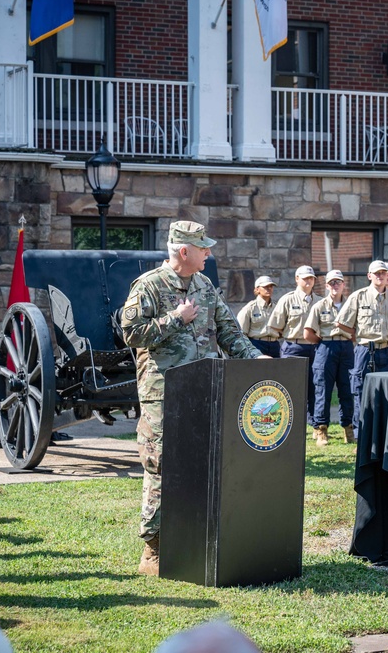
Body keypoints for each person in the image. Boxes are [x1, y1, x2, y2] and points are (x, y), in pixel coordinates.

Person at [120, 221, 262, 576]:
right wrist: (176, 318)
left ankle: (196, 537)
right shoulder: (149, 285)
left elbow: (228, 330)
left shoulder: (204, 284)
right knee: (162, 464)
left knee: (204, 463)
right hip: (163, 392)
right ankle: (154, 550)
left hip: (205, 388)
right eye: (204, 248)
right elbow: (131, 334)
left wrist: (257, 361)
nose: (209, 253)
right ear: (184, 251)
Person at [336, 260, 388, 441]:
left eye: (383, 273)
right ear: (369, 276)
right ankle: (362, 438)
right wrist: (357, 336)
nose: (381, 276)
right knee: (362, 394)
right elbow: (341, 323)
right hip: (366, 351)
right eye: (377, 273)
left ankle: (386, 439)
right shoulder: (359, 296)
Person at [303, 269, 354, 446]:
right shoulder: (319, 306)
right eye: (331, 283)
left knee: (347, 389)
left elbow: (357, 329)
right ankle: (321, 429)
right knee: (322, 389)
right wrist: (324, 344)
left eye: (338, 282)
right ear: (326, 286)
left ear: (343, 285)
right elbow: (307, 333)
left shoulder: (350, 305)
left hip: (347, 348)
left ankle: (348, 428)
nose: (335, 285)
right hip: (326, 346)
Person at [268, 265, 319, 430]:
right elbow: (276, 326)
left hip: (315, 348)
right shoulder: (287, 299)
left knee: (315, 386)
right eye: (305, 278)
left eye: (311, 278)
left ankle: (314, 423)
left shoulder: (320, 301)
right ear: (297, 279)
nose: (308, 281)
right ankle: (290, 422)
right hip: (293, 347)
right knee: (291, 386)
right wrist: (292, 336)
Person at [236, 275, 280, 358]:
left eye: (271, 286)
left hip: (274, 345)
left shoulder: (277, 308)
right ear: (257, 289)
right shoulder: (249, 308)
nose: (269, 289)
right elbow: (241, 332)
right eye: (265, 287)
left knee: (276, 370)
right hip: (257, 344)